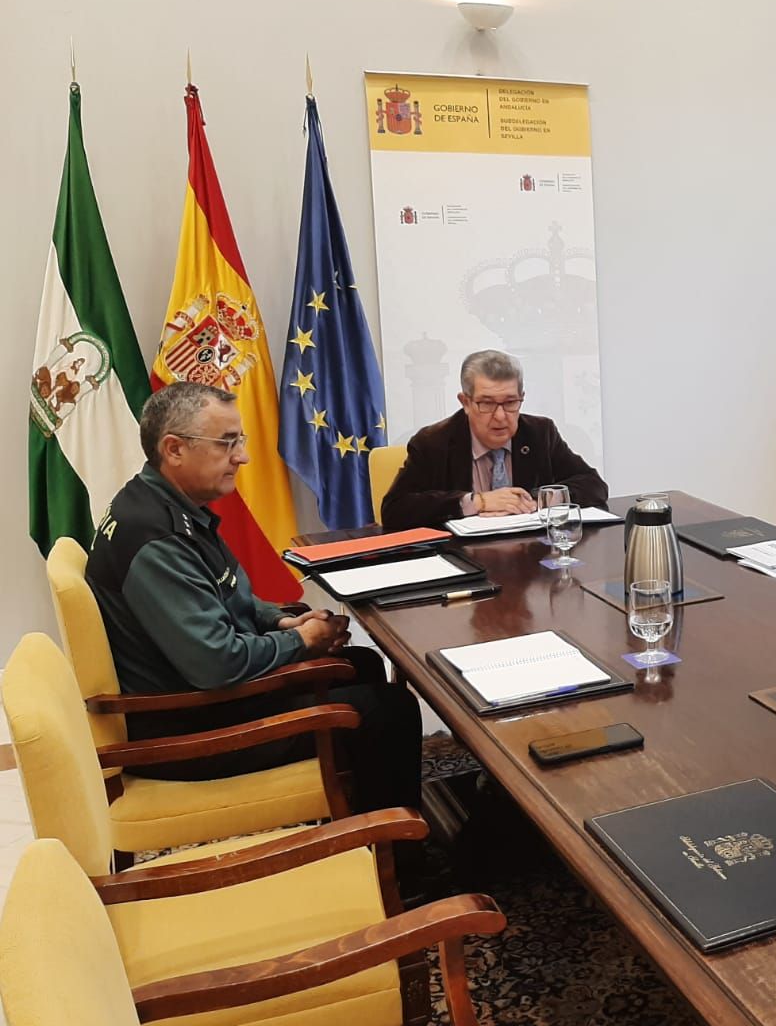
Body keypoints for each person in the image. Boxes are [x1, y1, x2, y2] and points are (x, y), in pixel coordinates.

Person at [85, 381, 421, 818]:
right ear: (173, 449)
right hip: (189, 729)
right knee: (388, 709)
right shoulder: (155, 537)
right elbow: (216, 662)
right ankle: (399, 858)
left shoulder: (166, 505)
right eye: (227, 443)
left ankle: (363, 811)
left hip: (200, 697)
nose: (241, 456)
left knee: (364, 665)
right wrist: (300, 643)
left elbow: (231, 596)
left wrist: (282, 625)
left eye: (238, 440)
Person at [382, 349, 608, 529]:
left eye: (510, 402)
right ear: (466, 402)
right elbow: (395, 510)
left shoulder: (540, 433)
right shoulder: (433, 442)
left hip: (532, 561)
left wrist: (535, 499)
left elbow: (594, 486)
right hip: (464, 564)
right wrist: (477, 502)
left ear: (522, 398)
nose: (500, 416)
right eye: (487, 403)